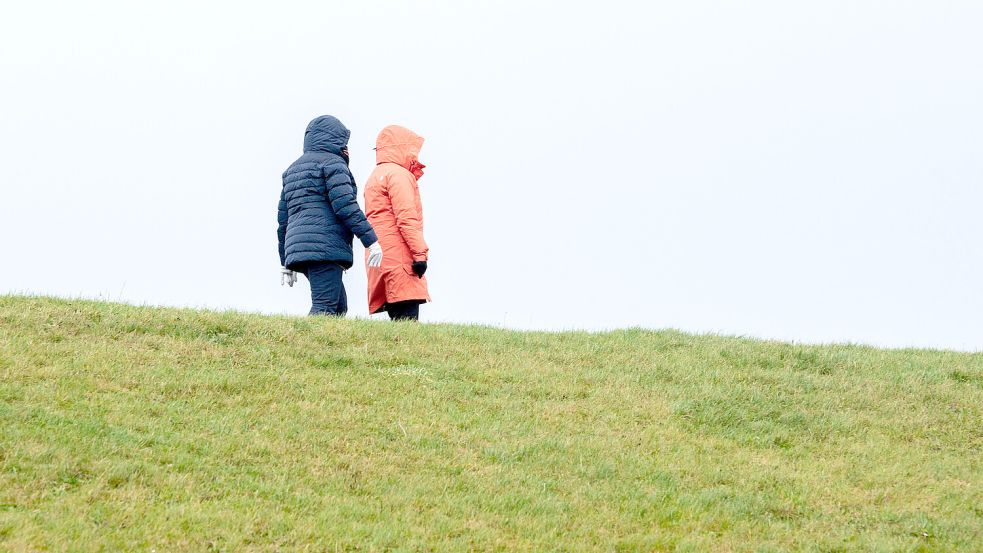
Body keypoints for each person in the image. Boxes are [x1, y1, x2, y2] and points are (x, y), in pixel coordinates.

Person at [277, 115, 383, 315]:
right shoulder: (333, 164)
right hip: (324, 247)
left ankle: (327, 345)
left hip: (300, 248)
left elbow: (284, 220)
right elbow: (346, 206)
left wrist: (285, 260)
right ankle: (301, 345)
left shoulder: (291, 170)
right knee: (325, 306)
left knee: (338, 307)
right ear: (335, 140)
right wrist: (371, 241)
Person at [363, 125, 431, 321]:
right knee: (408, 327)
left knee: (398, 321)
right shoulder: (399, 175)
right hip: (400, 258)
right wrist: (420, 255)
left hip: (381, 257)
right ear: (404, 148)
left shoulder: (375, 176)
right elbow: (406, 218)